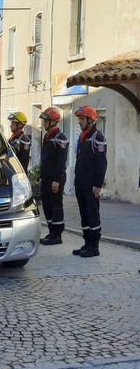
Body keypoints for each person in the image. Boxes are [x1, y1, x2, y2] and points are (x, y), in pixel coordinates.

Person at [72, 106, 107, 257]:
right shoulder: (82, 136)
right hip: (80, 183)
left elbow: (102, 164)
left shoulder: (97, 137)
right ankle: (86, 244)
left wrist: (98, 185)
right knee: (84, 215)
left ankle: (94, 247)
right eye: (79, 119)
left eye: (82, 119)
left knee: (92, 215)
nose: (79, 122)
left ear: (90, 120)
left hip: (91, 185)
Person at [39, 107, 69, 245]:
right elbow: (45, 159)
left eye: (45, 120)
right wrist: (41, 176)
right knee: (47, 206)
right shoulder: (48, 136)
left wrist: (56, 180)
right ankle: (51, 232)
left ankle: (57, 235)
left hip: (55, 179)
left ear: (52, 122)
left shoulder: (60, 138)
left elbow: (61, 161)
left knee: (55, 205)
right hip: (46, 178)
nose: (43, 123)